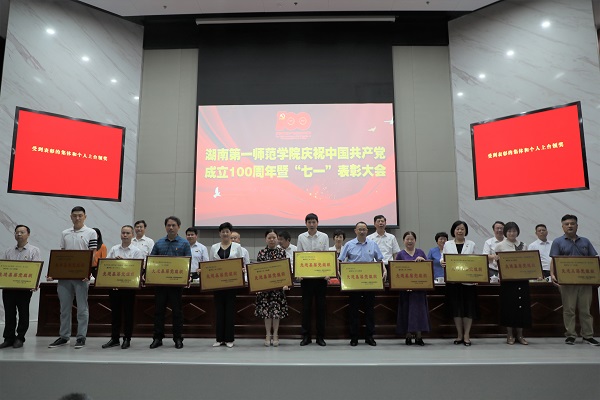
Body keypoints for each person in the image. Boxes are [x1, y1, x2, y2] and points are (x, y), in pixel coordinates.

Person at [48, 206, 98, 349]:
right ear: (71, 217)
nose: (77, 218)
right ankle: (64, 336)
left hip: (82, 277)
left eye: (80, 215)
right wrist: (55, 273)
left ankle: (81, 337)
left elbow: (93, 254)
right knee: (64, 309)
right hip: (65, 277)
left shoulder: (91, 232)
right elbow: (61, 255)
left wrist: (87, 272)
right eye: (75, 215)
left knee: (82, 308)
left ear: (85, 217)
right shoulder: (65, 233)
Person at [550, 214, 600, 346]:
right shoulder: (557, 242)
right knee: (569, 310)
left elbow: (594, 261)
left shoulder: (585, 241)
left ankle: (588, 336)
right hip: (567, 282)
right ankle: (571, 335)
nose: (570, 226)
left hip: (584, 282)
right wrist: (552, 274)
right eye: (566, 224)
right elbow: (554, 260)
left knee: (585, 310)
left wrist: (597, 277)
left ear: (577, 226)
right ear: (562, 227)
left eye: (572, 223)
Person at [338, 222, 385, 346]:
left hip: (370, 283)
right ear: (355, 231)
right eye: (359, 229)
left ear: (367, 231)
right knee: (353, 311)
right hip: (354, 284)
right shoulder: (349, 244)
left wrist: (384, 271)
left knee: (370, 310)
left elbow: (380, 260)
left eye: (364, 229)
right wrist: (340, 274)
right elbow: (340, 261)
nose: (362, 231)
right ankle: (354, 337)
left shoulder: (373, 244)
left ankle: (369, 337)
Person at [148, 216, 191, 349]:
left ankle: (178, 338)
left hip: (176, 285)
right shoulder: (159, 243)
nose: (171, 228)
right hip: (160, 284)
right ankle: (157, 338)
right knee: (158, 311)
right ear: (165, 227)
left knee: (177, 312)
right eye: (168, 225)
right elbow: (151, 262)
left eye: (173, 225)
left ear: (179, 227)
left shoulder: (184, 243)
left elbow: (188, 262)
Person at [102, 225, 144, 349]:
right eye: (123, 233)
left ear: (132, 235)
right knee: (115, 314)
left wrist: (124, 263)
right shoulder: (114, 249)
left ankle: (127, 338)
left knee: (128, 314)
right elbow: (106, 265)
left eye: (127, 233)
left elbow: (139, 268)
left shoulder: (136, 251)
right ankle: (114, 338)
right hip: (114, 287)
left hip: (129, 288)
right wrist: (114, 262)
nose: (125, 235)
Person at [0, 225, 41, 349]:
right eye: (17, 232)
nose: (19, 234)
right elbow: (3, 268)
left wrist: (34, 284)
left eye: (22, 232)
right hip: (9, 288)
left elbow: (36, 268)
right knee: (9, 313)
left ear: (28, 234)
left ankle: (20, 337)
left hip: (24, 289)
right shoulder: (8, 251)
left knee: (23, 313)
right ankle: (8, 338)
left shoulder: (34, 250)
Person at [441, 220, 478, 346]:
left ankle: (467, 335)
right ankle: (459, 335)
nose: (460, 231)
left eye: (462, 229)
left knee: (468, 309)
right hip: (453, 282)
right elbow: (443, 258)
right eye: (457, 229)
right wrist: (442, 262)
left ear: (466, 231)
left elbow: (476, 261)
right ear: (453, 231)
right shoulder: (448, 244)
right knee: (456, 309)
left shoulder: (471, 244)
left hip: (468, 283)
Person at [494, 222, 532, 345]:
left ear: (517, 232)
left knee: (521, 307)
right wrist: (497, 261)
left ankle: (520, 335)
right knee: (509, 307)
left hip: (522, 281)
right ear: (505, 232)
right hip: (507, 282)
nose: (512, 233)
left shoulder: (523, 245)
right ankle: (509, 334)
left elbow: (528, 261)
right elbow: (495, 264)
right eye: (509, 231)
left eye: (514, 231)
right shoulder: (500, 246)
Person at [210, 222, 245, 348]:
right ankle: (219, 339)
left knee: (230, 311)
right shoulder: (214, 247)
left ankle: (229, 339)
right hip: (218, 284)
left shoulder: (237, 247)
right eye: (223, 231)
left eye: (227, 231)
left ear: (230, 233)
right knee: (219, 311)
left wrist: (242, 270)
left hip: (232, 284)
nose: (225, 233)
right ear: (219, 234)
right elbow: (210, 264)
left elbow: (241, 263)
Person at [297, 213, 330, 347]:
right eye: (309, 222)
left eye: (313, 222)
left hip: (321, 279)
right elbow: (299, 256)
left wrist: (328, 273)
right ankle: (306, 336)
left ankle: (320, 337)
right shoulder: (301, 237)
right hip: (306, 279)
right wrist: (299, 273)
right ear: (306, 224)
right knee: (306, 308)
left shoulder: (324, 236)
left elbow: (327, 256)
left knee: (321, 308)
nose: (311, 224)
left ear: (317, 223)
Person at [254, 229, 289, 347]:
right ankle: (268, 334)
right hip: (265, 289)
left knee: (276, 312)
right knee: (267, 313)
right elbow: (257, 271)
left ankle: (276, 334)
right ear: (266, 239)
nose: (272, 240)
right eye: (269, 238)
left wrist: (286, 283)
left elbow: (285, 270)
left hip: (278, 289)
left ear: (277, 239)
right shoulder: (261, 253)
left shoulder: (282, 252)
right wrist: (258, 286)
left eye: (274, 237)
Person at [396, 231, 430, 346]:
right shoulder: (400, 254)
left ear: (415, 240)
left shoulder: (421, 252)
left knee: (419, 312)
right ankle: (408, 336)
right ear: (403, 241)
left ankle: (419, 336)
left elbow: (427, 270)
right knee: (406, 312)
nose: (409, 241)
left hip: (419, 290)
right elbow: (396, 272)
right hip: (405, 291)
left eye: (412, 239)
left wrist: (423, 261)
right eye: (407, 239)